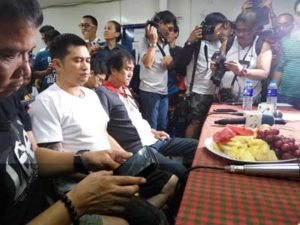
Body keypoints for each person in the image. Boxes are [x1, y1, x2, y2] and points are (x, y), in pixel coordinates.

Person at [0, 1, 169, 225]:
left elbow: (34, 157)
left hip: (51, 197)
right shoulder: (47, 101)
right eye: (8, 55)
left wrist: (84, 160)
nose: (27, 71)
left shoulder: (9, 97)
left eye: (28, 53)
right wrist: (77, 200)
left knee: (158, 205)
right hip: (61, 200)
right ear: (58, 65)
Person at [29, 33, 177, 223]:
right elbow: (55, 163)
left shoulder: (90, 95)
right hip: (82, 182)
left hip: (110, 170)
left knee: (170, 181)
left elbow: (103, 133)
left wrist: (129, 160)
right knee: (155, 218)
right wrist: (97, 168)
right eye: (77, 60)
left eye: (88, 60)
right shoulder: (47, 102)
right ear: (57, 65)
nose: (85, 67)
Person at [96, 50, 197, 177]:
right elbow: (101, 130)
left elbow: (136, 119)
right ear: (113, 70)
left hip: (153, 139)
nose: (130, 74)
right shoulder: (103, 93)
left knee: (196, 146)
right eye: (127, 69)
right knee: (181, 172)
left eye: (132, 69)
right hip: (139, 148)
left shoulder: (126, 89)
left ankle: (189, 180)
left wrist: (153, 131)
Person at [176, 12, 228, 139]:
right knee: (195, 124)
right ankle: (188, 155)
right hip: (197, 92)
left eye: (224, 28)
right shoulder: (196, 42)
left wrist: (225, 42)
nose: (222, 31)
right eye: (221, 27)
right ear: (211, 26)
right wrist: (189, 41)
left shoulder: (222, 43)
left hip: (214, 91)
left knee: (209, 125)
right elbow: (180, 64)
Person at [220, 9, 272, 103]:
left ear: (255, 29)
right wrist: (215, 67)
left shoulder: (262, 45)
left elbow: (264, 73)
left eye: (245, 30)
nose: (240, 34)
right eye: (238, 30)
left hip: (252, 100)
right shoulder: (228, 43)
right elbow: (219, 65)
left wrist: (242, 71)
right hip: (226, 99)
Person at [139, 10, 176, 131]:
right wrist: (153, 43)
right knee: (152, 127)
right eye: (169, 28)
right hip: (149, 91)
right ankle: (152, 150)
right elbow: (147, 63)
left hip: (163, 91)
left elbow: (169, 67)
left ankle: (163, 149)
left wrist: (170, 62)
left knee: (163, 126)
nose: (170, 32)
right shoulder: (145, 40)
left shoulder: (165, 42)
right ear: (160, 23)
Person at [273, 0, 300, 109]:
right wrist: (272, 94)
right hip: (285, 96)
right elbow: (280, 68)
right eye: (299, 14)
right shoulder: (285, 41)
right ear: (295, 17)